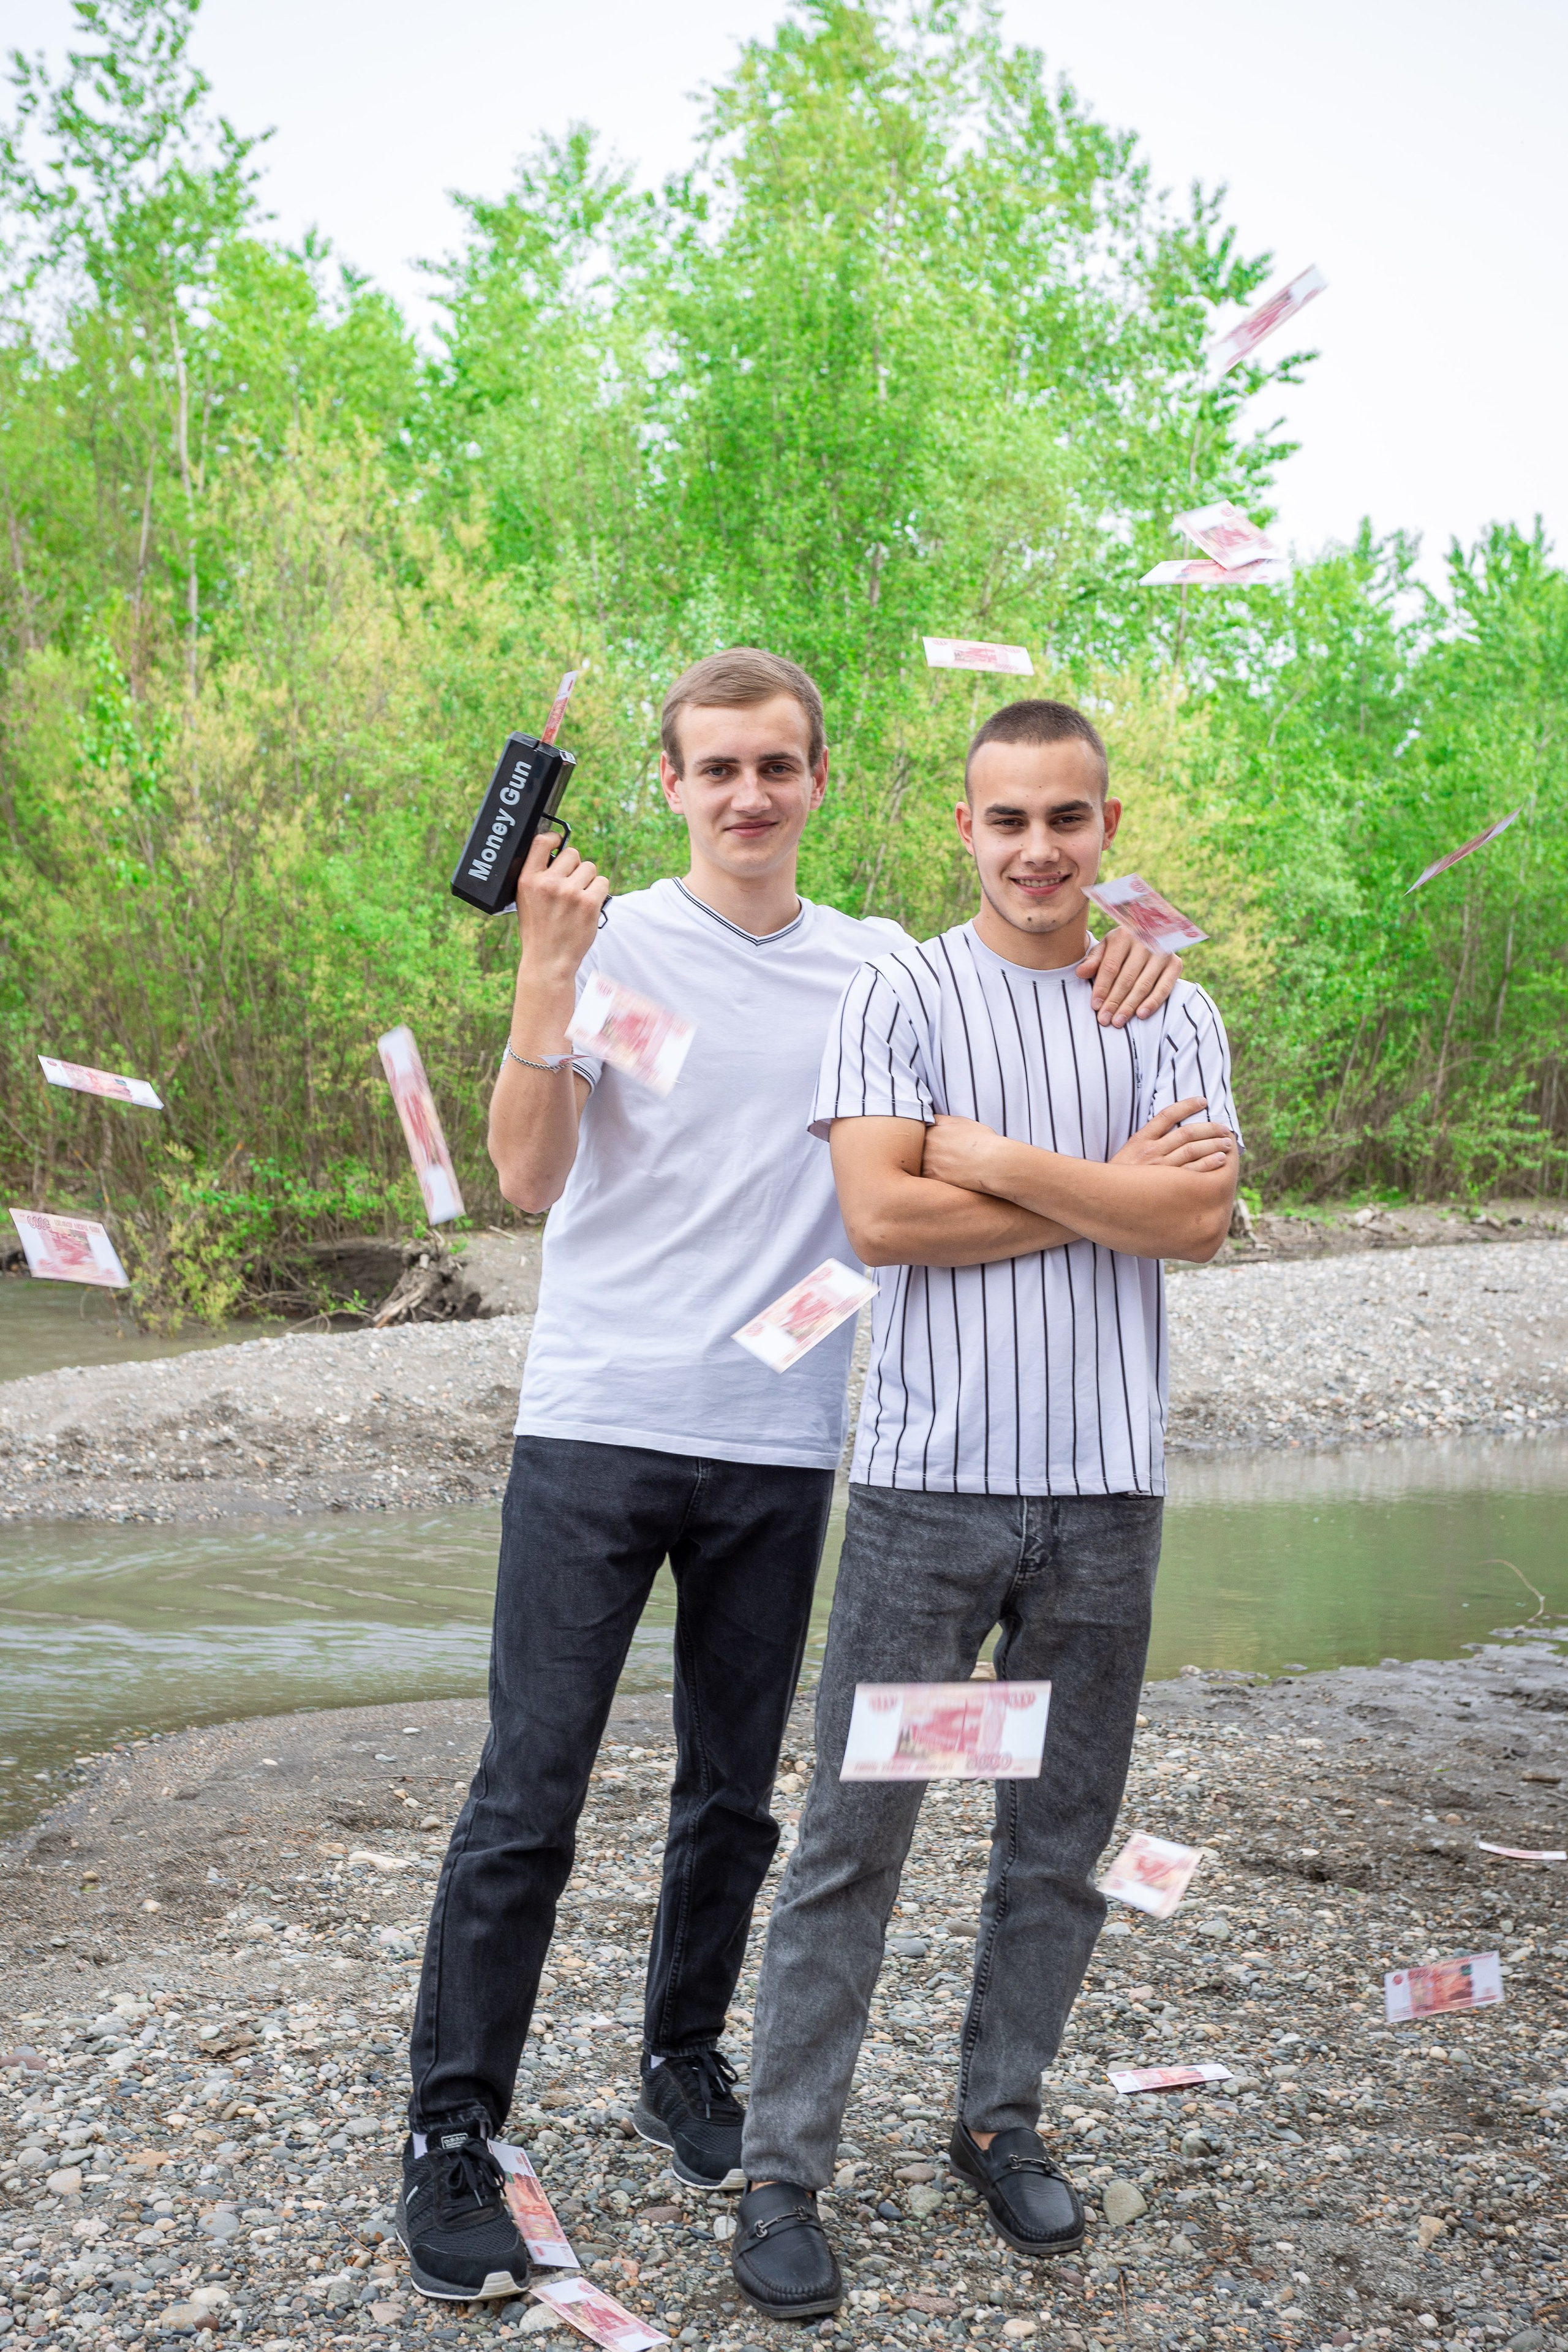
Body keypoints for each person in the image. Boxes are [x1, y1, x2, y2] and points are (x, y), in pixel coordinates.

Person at [393, 653, 1182, 2303]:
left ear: (819, 779)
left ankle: (685, 2059)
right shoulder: (608, 943)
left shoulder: (877, 969)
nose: (748, 795)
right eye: (717, 770)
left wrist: (1131, 940)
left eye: (776, 766)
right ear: (671, 787)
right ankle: (454, 2128)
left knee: (735, 1793)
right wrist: (543, 976)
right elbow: (527, 1177)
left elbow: (1028, 941)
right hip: (601, 1421)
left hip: (783, 1435)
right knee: (529, 1788)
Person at [728, 696, 1242, 2320]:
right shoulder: (903, 990)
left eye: (1066, 819)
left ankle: (996, 2119)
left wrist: (994, 1159)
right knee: (854, 1841)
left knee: (1059, 1843)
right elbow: (881, 1219)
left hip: (1106, 1498)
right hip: (929, 1496)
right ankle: (781, 2172)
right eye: (1007, 819)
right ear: (967, 829)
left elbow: (1199, 1223)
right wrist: (1110, 1194)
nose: (1037, 849)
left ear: (1107, 829)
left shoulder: (1171, 1011)